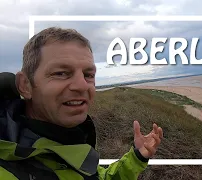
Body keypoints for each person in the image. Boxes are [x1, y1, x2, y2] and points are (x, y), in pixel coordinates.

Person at [0, 27, 163, 179]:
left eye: (88, 74)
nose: (82, 85)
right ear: (25, 85)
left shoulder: (69, 140)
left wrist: (137, 157)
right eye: (61, 73)